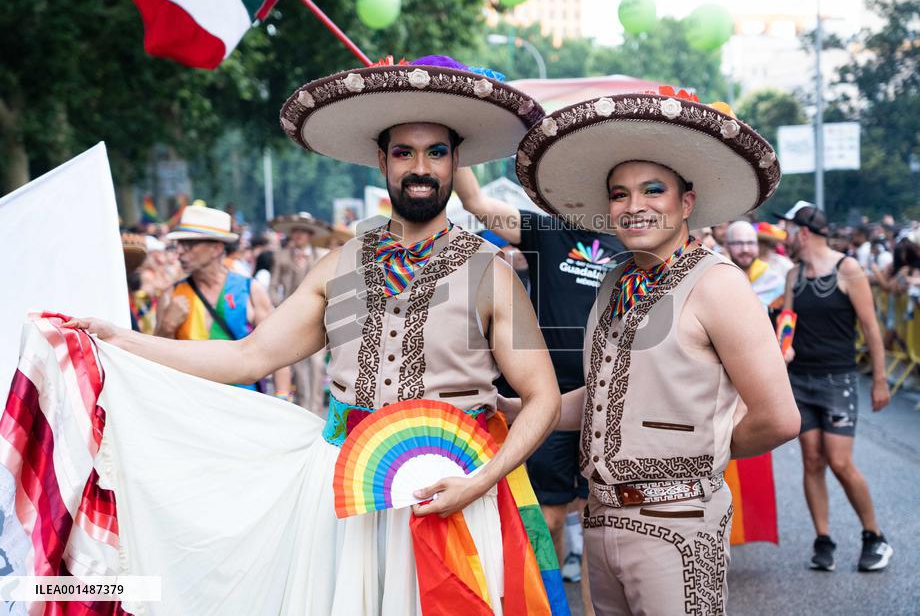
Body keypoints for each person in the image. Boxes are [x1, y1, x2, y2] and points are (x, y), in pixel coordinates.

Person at [68, 55, 565, 614]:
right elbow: (247, 356)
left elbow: (541, 397)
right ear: (382, 161)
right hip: (341, 495)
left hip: (455, 496)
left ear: (456, 163)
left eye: (436, 153)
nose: (419, 167)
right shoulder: (337, 267)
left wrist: (482, 482)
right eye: (404, 152)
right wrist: (120, 340)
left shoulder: (492, 273)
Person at [507, 89, 800, 613]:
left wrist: (701, 459)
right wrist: (514, 410)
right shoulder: (614, 281)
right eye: (619, 194)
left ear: (686, 202)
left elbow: (779, 418)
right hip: (599, 522)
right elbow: (602, 399)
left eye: (653, 190)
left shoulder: (718, 285)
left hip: (680, 529)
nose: (634, 205)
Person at [455, 164, 624, 601]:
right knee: (547, 518)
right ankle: (550, 606)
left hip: (608, 400)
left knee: (598, 524)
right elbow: (476, 203)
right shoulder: (547, 231)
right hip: (547, 401)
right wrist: (457, 140)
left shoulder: (630, 239)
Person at [778, 202, 894, 572]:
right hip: (801, 379)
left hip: (838, 380)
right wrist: (785, 344)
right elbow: (788, 321)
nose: (785, 238)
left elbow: (872, 329)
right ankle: (823, 539)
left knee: (840, 462)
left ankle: (874, 536)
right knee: (812, 458)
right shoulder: (793, 275)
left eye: (788, 231)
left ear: (804, 233)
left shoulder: (849, 269)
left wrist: (879, 380)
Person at [153, 205, 293, 396]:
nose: (180, 252)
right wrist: (167, 326)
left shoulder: (249, 290)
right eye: (179, 244)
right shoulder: (172, 295)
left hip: (244, 402)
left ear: (217, 248)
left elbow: (277, 351)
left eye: (190, 245)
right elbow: (155, 360)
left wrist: (282, 398)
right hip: (192, 403)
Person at [269, 211, 332, 412]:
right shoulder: (281, 257)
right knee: (297, 363)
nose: (299, 236)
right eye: (296, 232)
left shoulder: (321, 257)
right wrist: (280, 306)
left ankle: (314, 408)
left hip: (317, 317)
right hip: (292, 318)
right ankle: (304, 407)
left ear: (310, 235)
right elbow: (273, 286)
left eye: (303, 232)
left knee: (316, 363)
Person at [726, 220, 785, 312]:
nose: (745, 249)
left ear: (757, 246)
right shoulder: (719, 279)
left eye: (750, 243)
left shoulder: (774, 281)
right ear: (727, 246)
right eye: (738, 243)